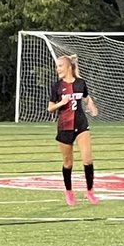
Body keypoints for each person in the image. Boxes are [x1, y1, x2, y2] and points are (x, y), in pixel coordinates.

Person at [48, 53, 99, 206]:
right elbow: (50, 108)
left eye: (60, 66)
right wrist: (61, 103)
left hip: (81, 124)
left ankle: (89, 191)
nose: (57, 69)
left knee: (87, 159)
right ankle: (69, 191)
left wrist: (91, 106)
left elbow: (86, 97)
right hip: (65, 127)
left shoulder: (80, 83)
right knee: (68, 163)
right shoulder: (57, 86)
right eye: (57, 66)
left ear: (69, 67)